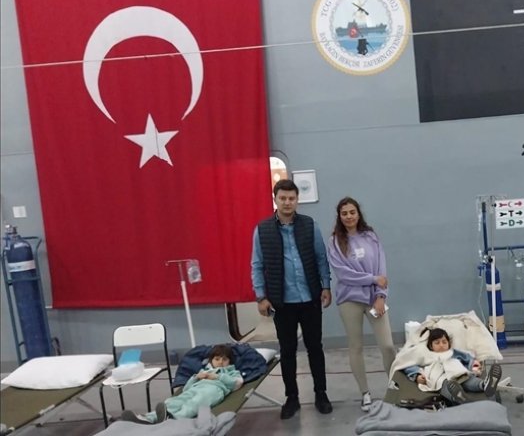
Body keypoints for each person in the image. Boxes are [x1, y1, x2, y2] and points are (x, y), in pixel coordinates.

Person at [252, 179, 333, 418]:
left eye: (291, 198)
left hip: (310, 299)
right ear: (275, 200)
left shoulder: (309, 225)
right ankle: (292, 398)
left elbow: (321, 258)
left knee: (315, 348)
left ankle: (321, 394)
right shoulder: (262, 229)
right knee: (287, 351)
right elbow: (257, 264)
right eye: (283, 198)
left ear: (297, 200)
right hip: (282, 302)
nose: (287, 202)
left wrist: (326, 286)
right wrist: (261, 296)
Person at [327, 197, 396, 411]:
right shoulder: (334, 242)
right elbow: (344, 274)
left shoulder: (371, 236)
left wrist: (381, 295)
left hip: (375, 299)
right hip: (350, 299)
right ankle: (365, 393)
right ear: (339, 216)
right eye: (344, 213)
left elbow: (382, 269)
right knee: (356, 346)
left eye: (352, 212)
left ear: (358, 213)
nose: (349, 216)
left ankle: (394, 387)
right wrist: (372, 279)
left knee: (387, 346)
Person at [119, 345, 243, 424]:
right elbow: (186, 389)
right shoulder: (204, 371)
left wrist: (218, 377)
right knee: (174, 401)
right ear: (211, 360)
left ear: (230, 361)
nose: (220, 362)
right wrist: (195, 378)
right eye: (217, 359)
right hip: (195, 388)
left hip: (213, 390)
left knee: (195, 403)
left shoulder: (231, 372)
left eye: (224, 359)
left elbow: (237, 383)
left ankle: (173, 418)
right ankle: (147, 418)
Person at [402, 328, 502, 405]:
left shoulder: (453, 353)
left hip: (457, 373)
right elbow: (409, 363)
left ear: (449, 344)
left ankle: (485, 384)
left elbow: (468, 358)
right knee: (446, 386)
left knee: (468, 379)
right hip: (440, 377)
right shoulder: (426, 355)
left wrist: (474, 366)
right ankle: (457, 396)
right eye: (437, 343)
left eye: (444, 342)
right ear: (431, 346)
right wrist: (417, 375)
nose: (441, 345)